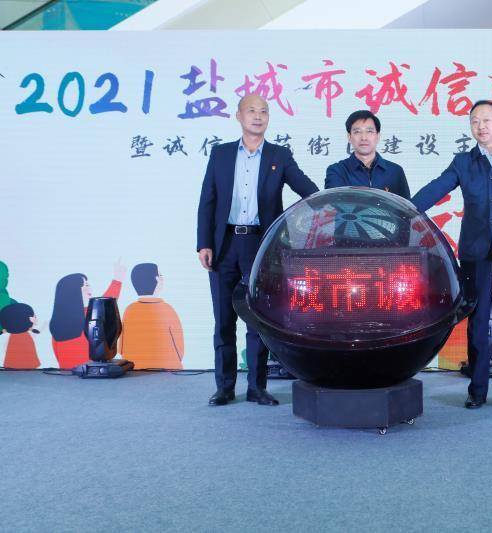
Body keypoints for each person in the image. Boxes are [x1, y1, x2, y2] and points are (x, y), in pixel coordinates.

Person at [412, 100, 492, 409]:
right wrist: (408, 206)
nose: (481, 126)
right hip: (476, 253)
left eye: (486, 120)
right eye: (475, 122)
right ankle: (477, 390)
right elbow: (437, 188)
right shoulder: (463, 162)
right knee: (478, 322)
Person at [197, 93, 319, 406]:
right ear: (238, 116)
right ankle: (224, 387)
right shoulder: (221, 154)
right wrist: (204, 243)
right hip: (224, 246)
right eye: (251, 110)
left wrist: (319, 212)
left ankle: (256, 388)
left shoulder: (280, 155)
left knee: (258, 319)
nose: (258, 116)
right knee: (224, 320)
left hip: (261, 246)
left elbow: (308, 191)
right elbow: (208, 200)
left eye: (263, 111)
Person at [49, 261, 125, 369]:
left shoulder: (57, 324)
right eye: (85, 285)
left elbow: (57, 355)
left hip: (68, 372)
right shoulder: (89, 314)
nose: (90, 287)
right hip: (90, 371)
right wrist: (117, 280)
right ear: (73, 291)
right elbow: (104, 303)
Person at [325, 110, 410, 199]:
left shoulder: (395, 171)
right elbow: (334, 203)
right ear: (349, 137)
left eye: (369, 131)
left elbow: (406, 206)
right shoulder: (337, 171)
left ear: (378, 136)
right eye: (357, 132)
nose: (364, 138)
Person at [119, 262, 184, 370]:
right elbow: (180, 348)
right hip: (168, 370)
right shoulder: (167, 309)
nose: (162, 278)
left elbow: (120, 348)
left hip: (134, 369)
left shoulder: (129, 310)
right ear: (156, 280)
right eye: (160, 275)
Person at [0, 302, 40, 369]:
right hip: (23, 339)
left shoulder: (15, 330)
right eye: (33, 317)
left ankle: (13, 365)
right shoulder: (22, 330)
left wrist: (33, 330)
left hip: (19, 339)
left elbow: (4, 331)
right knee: (17, 352)